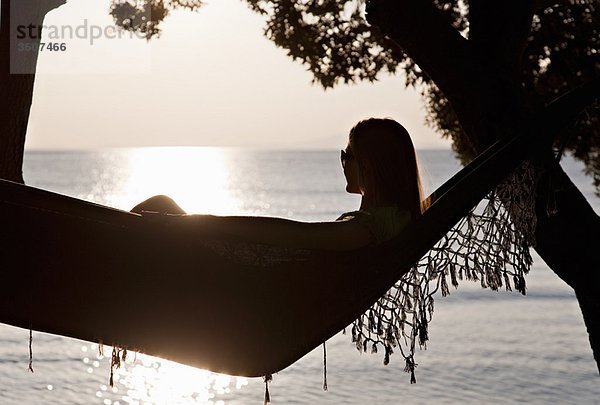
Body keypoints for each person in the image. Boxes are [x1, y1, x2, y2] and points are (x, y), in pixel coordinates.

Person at [130, 117, 431, 251]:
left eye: (346, 156)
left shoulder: (365, 230)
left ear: (366, 165)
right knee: (160, 205)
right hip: (251, 276)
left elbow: (296, 236)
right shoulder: (392, 220)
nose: (342, 164)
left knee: (156, 210)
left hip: (245, 285)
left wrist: (202, 223)